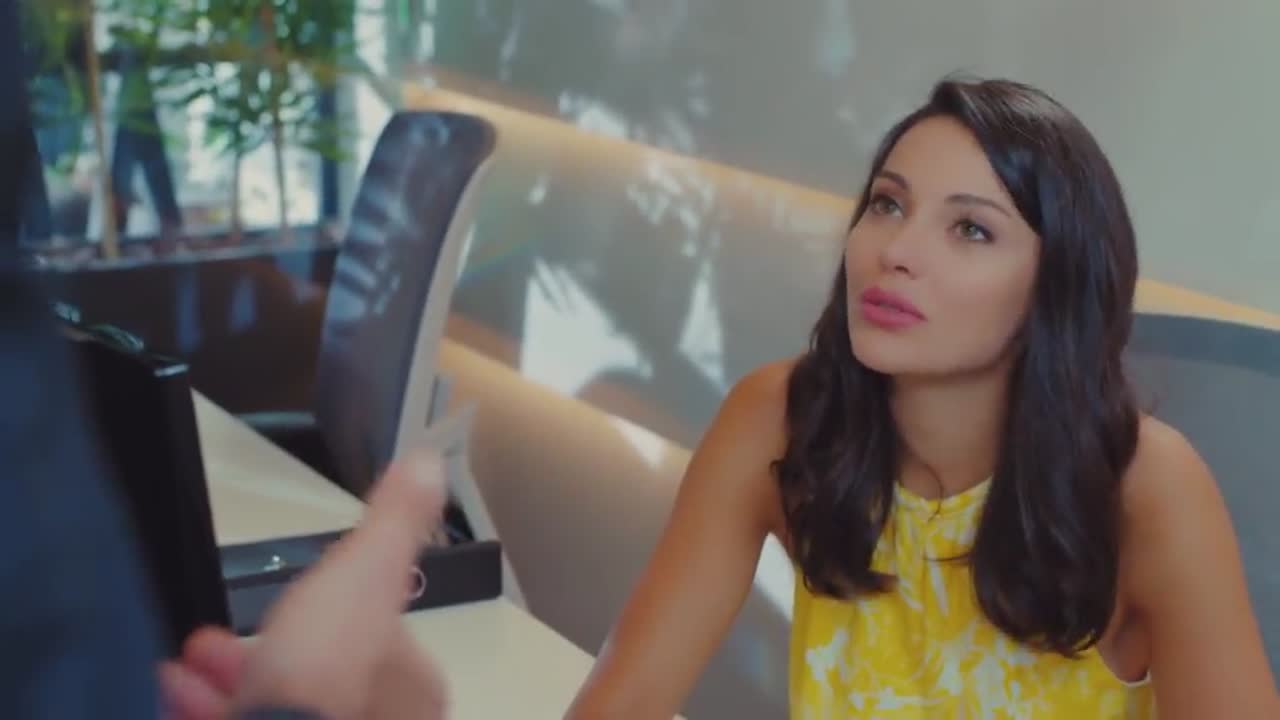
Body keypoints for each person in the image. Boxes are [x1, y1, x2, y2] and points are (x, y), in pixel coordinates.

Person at [567, 78, 1279, 719]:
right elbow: (624, 701)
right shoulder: (780, 418)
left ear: (1053, 290)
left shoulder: (1146, 484)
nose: (898, 250)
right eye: (888, 204)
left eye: (971, 229)